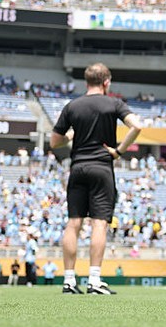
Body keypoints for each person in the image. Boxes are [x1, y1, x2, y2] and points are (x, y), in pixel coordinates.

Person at [51, 62, 141, 295]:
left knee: (74, 223)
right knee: (99, 223)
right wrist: (119, 150)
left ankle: (69, 281)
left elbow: (55, 142)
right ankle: (94, 280)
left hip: (78, 166)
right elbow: (137, 126)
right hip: (101, 166)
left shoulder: (72, 106)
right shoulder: (114, 103)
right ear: (106, 82)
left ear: (86, 82)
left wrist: (71, 135)